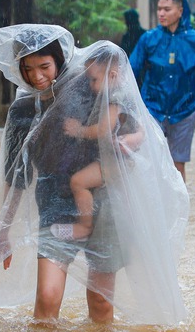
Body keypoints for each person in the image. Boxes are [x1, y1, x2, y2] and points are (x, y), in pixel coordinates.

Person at [0, 25, 188, 326]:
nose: (37, 76)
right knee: (47, 298)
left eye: (44, 66)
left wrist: (126, 142)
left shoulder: (90, 90)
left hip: (103, 212)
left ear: (59, 62)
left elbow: (132, 126)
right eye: (28, 69)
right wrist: (2, 230)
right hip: (57, 216)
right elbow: (16, 174)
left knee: (101, 302)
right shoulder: (22, 111)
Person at [130, 0, 195, 181]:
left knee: (178, 163)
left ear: (180, 11)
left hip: (185, 109)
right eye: (159, 9)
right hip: (152, 108)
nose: (161, 13)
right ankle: (154, 207)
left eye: (167, 9)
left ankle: (179, 209)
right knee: (150, 160)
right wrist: (134, 101)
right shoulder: (149, 38)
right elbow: (131, 69)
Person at [58, 48, 145, 241]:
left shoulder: (114, 98)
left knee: (78, 182)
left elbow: (103, 130)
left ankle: (84, 226)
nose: (90, 85)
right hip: (123, 159)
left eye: (94, 80)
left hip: (116, 160)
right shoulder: (127, 95)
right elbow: (142, 129)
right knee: (124, 197)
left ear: (112, 76)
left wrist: (78, 130)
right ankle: (133, 230)